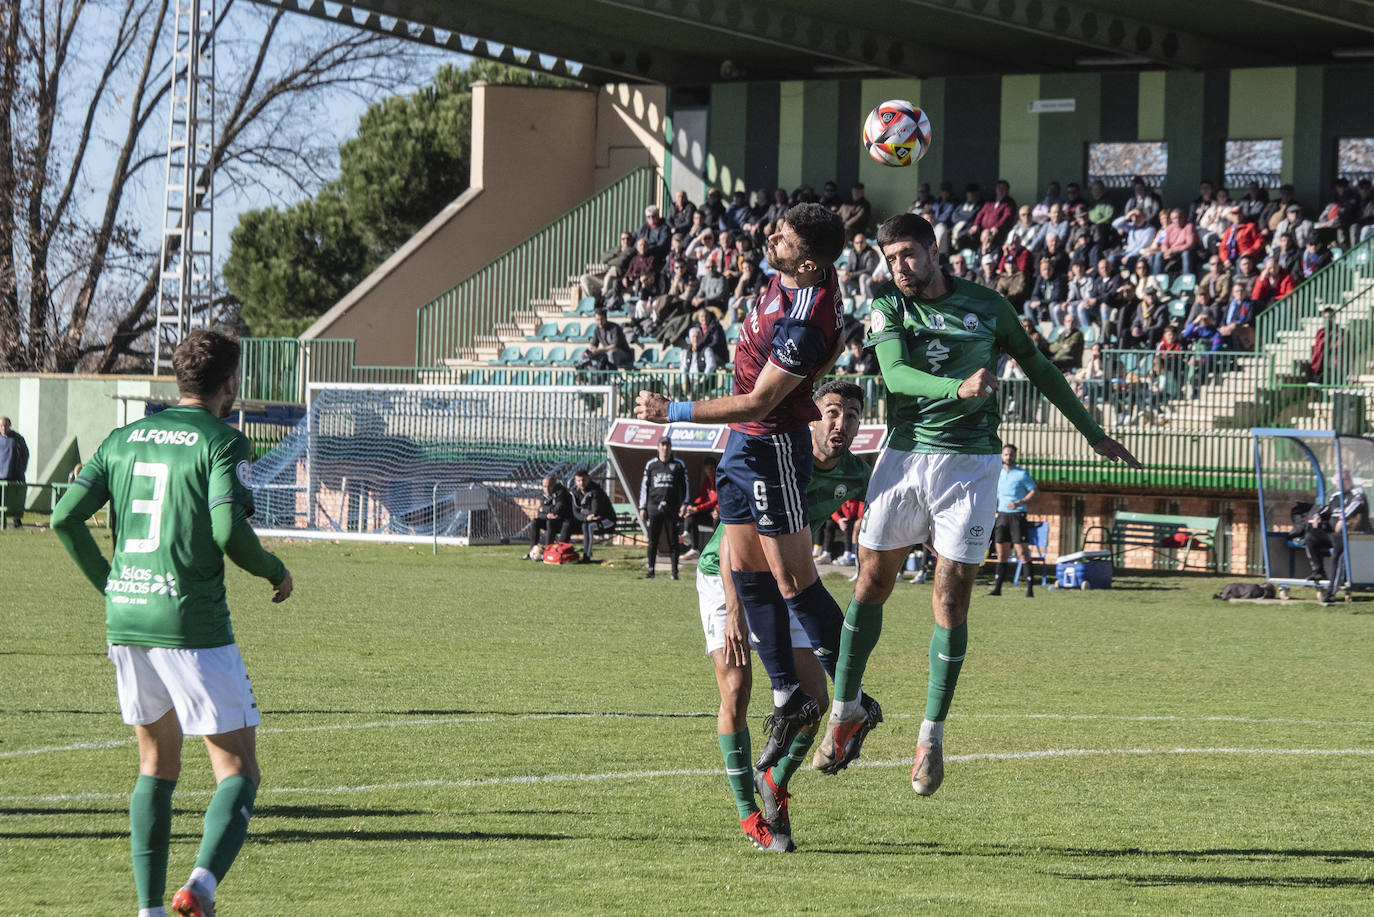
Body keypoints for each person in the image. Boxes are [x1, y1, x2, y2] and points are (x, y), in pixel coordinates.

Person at [813, 213, 1140, 792]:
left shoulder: (989, 307)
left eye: (909, 255)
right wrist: (956, 388)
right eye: (891, 259)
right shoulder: (889, 305)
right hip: (906, 453)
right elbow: (894, 375)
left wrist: (1092, 432)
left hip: (972, 464)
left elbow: (1040, 368)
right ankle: (844, 713)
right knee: (870, 585)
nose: (900, 267)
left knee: (952, 592)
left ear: (935, 250)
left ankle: (930, 736)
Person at [50, 329, 293, 917]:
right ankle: (201, 888)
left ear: (179, 379)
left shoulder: (123, 439)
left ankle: (149, 909)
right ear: (228, 384)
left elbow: (63, 517)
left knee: (155, 763)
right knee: (237, 768)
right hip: (192, 623)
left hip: (127, 618)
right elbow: (228, 532)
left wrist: (112, 584)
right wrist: (275, 570)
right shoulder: (225, 442)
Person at [635, 202, 856, 789]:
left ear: (807, 263)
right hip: (741, 445)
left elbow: (760, 402)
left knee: (792, 582)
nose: (771, 236)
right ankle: (791, 696)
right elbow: (838, 331)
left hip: (771, 447)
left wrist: (672, 414)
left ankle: (852, 698)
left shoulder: (805, 319)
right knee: (748, 573)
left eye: (783, 237)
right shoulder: (800, 276)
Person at [694, 381, 876, 853]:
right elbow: (738, 543)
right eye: (832, 412)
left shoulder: (858, 473)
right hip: (729, 575)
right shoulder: (778, 459)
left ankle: (773, 784)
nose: (841, 423)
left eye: (852, 415)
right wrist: (735, 612)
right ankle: (747, 814)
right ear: (810, 416)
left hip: (789, 580)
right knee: (736, 688)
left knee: (814, 700)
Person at [1292, 468, 1367, 598]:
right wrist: (1317, 516)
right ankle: (1318, 571)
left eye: (1343, 480)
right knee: (1310, 537)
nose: (1340, 483)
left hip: (1350, 535)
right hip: (1332, 534)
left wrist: (1343, 519)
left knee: (1337, 554)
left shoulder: (1357, 493)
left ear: (1349, 480)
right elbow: (1326, 510)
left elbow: (1355, 505)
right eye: (1337, 481)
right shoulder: (1336, 496)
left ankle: (1331, 590)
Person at [987, 444, 1038, 597]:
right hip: (1002, 515)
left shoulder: (1022, 474)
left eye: (1011, 455)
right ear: (1002, 456)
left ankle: (1030, 590)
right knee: (1001, 554)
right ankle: (997, 589)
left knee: (1022, 552)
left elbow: (1033, 491)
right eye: (1006, 454)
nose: (1008, 457)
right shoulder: (998, 473)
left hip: (1017, 515)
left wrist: (1020, 502)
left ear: (1015, 456)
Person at [639, 435, 690, 580]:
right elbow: (644, 487)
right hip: (653, 507)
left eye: (667, 445)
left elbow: (685, 486)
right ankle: (651, 570)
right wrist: (642, 507)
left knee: (673, 541)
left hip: (672, 508)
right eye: (662, 445)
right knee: (652, 540)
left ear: (670, 447)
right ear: (658, 447)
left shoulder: (678, 464)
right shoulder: (651, 465)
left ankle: (674, 572)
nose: (665, 448)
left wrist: (684, 504)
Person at [570, 469, 615, 564]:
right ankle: (566, 553)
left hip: (607, 520)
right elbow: (575, 513)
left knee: (589, 526)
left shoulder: (596, 490)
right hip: (590, 520)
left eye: (584, 480)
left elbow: (595, 511)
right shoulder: (575, 493)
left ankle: (587, 555)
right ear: (575, 481)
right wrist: (586, 516)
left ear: (588, 479)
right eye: (578, 481)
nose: (581, 483)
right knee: (584, 525)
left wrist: (584, 512)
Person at [526, 475, 574, 558]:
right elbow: (540, 513)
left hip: (564, 521)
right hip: (552, 520)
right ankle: (532, 551)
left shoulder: (562, 493)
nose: (547, 489)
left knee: (550, 522)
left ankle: (548, 551)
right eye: (544, 486)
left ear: (554, 485)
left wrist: (546, 510)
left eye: (549, 486)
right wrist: (547, 514)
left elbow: (558, 510)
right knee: (535, 522)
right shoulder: (545, 496)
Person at [681, 458, 719, 556]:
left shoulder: (718, 479)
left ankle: (717, 550)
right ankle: (691, 543)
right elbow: (702, 497)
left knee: (717, 519)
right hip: (710, 511)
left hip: (719, 512)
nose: (710, 471)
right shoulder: (707, 481)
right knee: (692, 514)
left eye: (712, 469)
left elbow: (715, 500)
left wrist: (697, 508)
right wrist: (693, 506)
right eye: (707, 469)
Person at [0, 414, 29, 527]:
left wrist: (22, 468)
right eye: (1, 426)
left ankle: (17, 521)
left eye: (5, 426)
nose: (3, 428)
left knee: (16, 499)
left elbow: (25, 454)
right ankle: (3, 522)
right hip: (0, 475)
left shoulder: (17, 439)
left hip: (14, 474)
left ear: (10, 426)